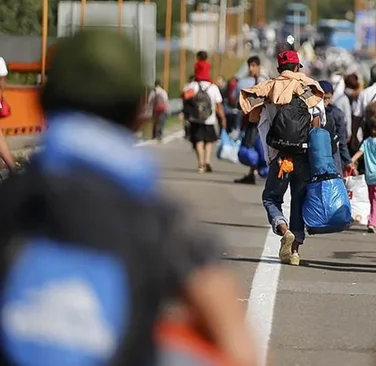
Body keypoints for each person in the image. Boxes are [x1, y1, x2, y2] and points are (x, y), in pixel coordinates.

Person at [0, 31, 254, 366]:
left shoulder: (10, 200)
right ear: (140, 113)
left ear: (43, 102)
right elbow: (238, 348)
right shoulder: (161, 221)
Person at [241, 46, 326, 266]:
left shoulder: (270, 89)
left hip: (280, 157)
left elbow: (257, 121)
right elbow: (319, 124)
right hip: (304, 155)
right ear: (298, 66)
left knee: (271, 198)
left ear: (279, 68)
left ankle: (283, 228)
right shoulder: (309, 89)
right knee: (298, 200)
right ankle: (295, 251)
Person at [182, 56, 226, 173]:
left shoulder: (193, 86)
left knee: (198, 141)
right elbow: (218, 105)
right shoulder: (213, 87)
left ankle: (200, 164)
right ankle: (207, 161)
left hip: (195, 118)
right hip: (210, 119)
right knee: (209, 142)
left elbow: (184, 96)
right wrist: (222, 118)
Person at [350, 115, 376, 233]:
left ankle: (374, 219)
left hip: (369, 176)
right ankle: (372, 222)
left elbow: (359, 152)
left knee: (372, 200)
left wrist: (351, 162)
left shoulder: (367, 141)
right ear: (374, 130)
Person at [233, 56, 268, 185]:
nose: (251, 69)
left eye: (253, 66)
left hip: (260, 121)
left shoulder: (263, 82)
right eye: (249, 66)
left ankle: (261, 172)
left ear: (258, 66)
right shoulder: (249, 82)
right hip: (251, 120)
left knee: (258, 147)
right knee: (250, 146)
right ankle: (251, 173)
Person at [319, 80, 352, 174]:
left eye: (327, 98)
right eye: (323, 98)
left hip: (333, 154)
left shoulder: (337, 114)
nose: (325, 102)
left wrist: (347, 161)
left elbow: (342, 141)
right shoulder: (311, 112)